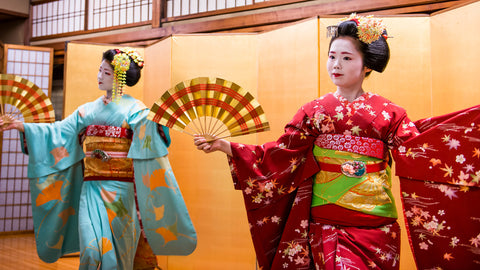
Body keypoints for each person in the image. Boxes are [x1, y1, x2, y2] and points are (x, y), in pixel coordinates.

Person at [194, 14, 420, 270]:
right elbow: (281, 153)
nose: (336, 64)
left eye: (347, 58)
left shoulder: (389, 112)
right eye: (332, 56)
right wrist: (229, 146)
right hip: (325, 220)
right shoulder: (314, 111)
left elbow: (420, 152)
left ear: (367, 64)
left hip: (375, 222)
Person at [0, 48, 197, 269]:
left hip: (121, 190)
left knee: (118, 254)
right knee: (92, 251)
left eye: (106, 73)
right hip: (91, 188)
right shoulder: (87, 111)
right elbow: (58, 132)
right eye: (99, 70)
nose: (99, 76)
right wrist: (21, 126)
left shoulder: (134, 109)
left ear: (119, 78)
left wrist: (162, 118)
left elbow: (148, 128)